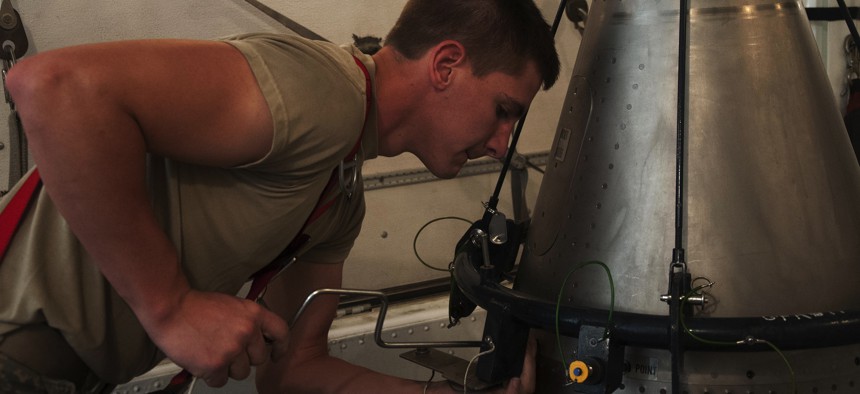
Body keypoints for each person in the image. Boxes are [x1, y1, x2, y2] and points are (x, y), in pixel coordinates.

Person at [0, 0, 559, 392]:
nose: (501, 143)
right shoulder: (319, 90)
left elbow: (296, 368)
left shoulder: (340, 196)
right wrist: (171, 306)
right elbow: (53, 86)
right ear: (445, 65)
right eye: (504, 110)